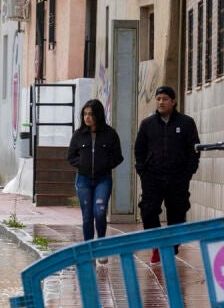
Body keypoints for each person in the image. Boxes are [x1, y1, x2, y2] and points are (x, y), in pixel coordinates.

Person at [133, 86, 200, 263]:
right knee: (148, 211)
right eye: (158, 99)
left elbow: (193, 149)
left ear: (173, 101)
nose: (161, 102)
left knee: (177, 213)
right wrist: (142, 169)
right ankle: (157, 244)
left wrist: (188, 171)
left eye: (165, 99)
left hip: (177, 177)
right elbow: (139, 149)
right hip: (152, 176)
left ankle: (171, 246)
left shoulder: (186, 123)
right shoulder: (147, 124)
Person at [66, 99, 123, 257]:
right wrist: (82, 164)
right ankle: (89, 249)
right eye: (85, 114)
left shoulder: (110, 134)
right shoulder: (78, 135)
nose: (87, 117)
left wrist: (104, 164)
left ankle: (101, 246)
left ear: (98, 115)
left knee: (99, 212)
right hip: (83, 180)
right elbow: (70, 156)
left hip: (103, 179)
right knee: (87, 216)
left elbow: (118, 157)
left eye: (90, 114)